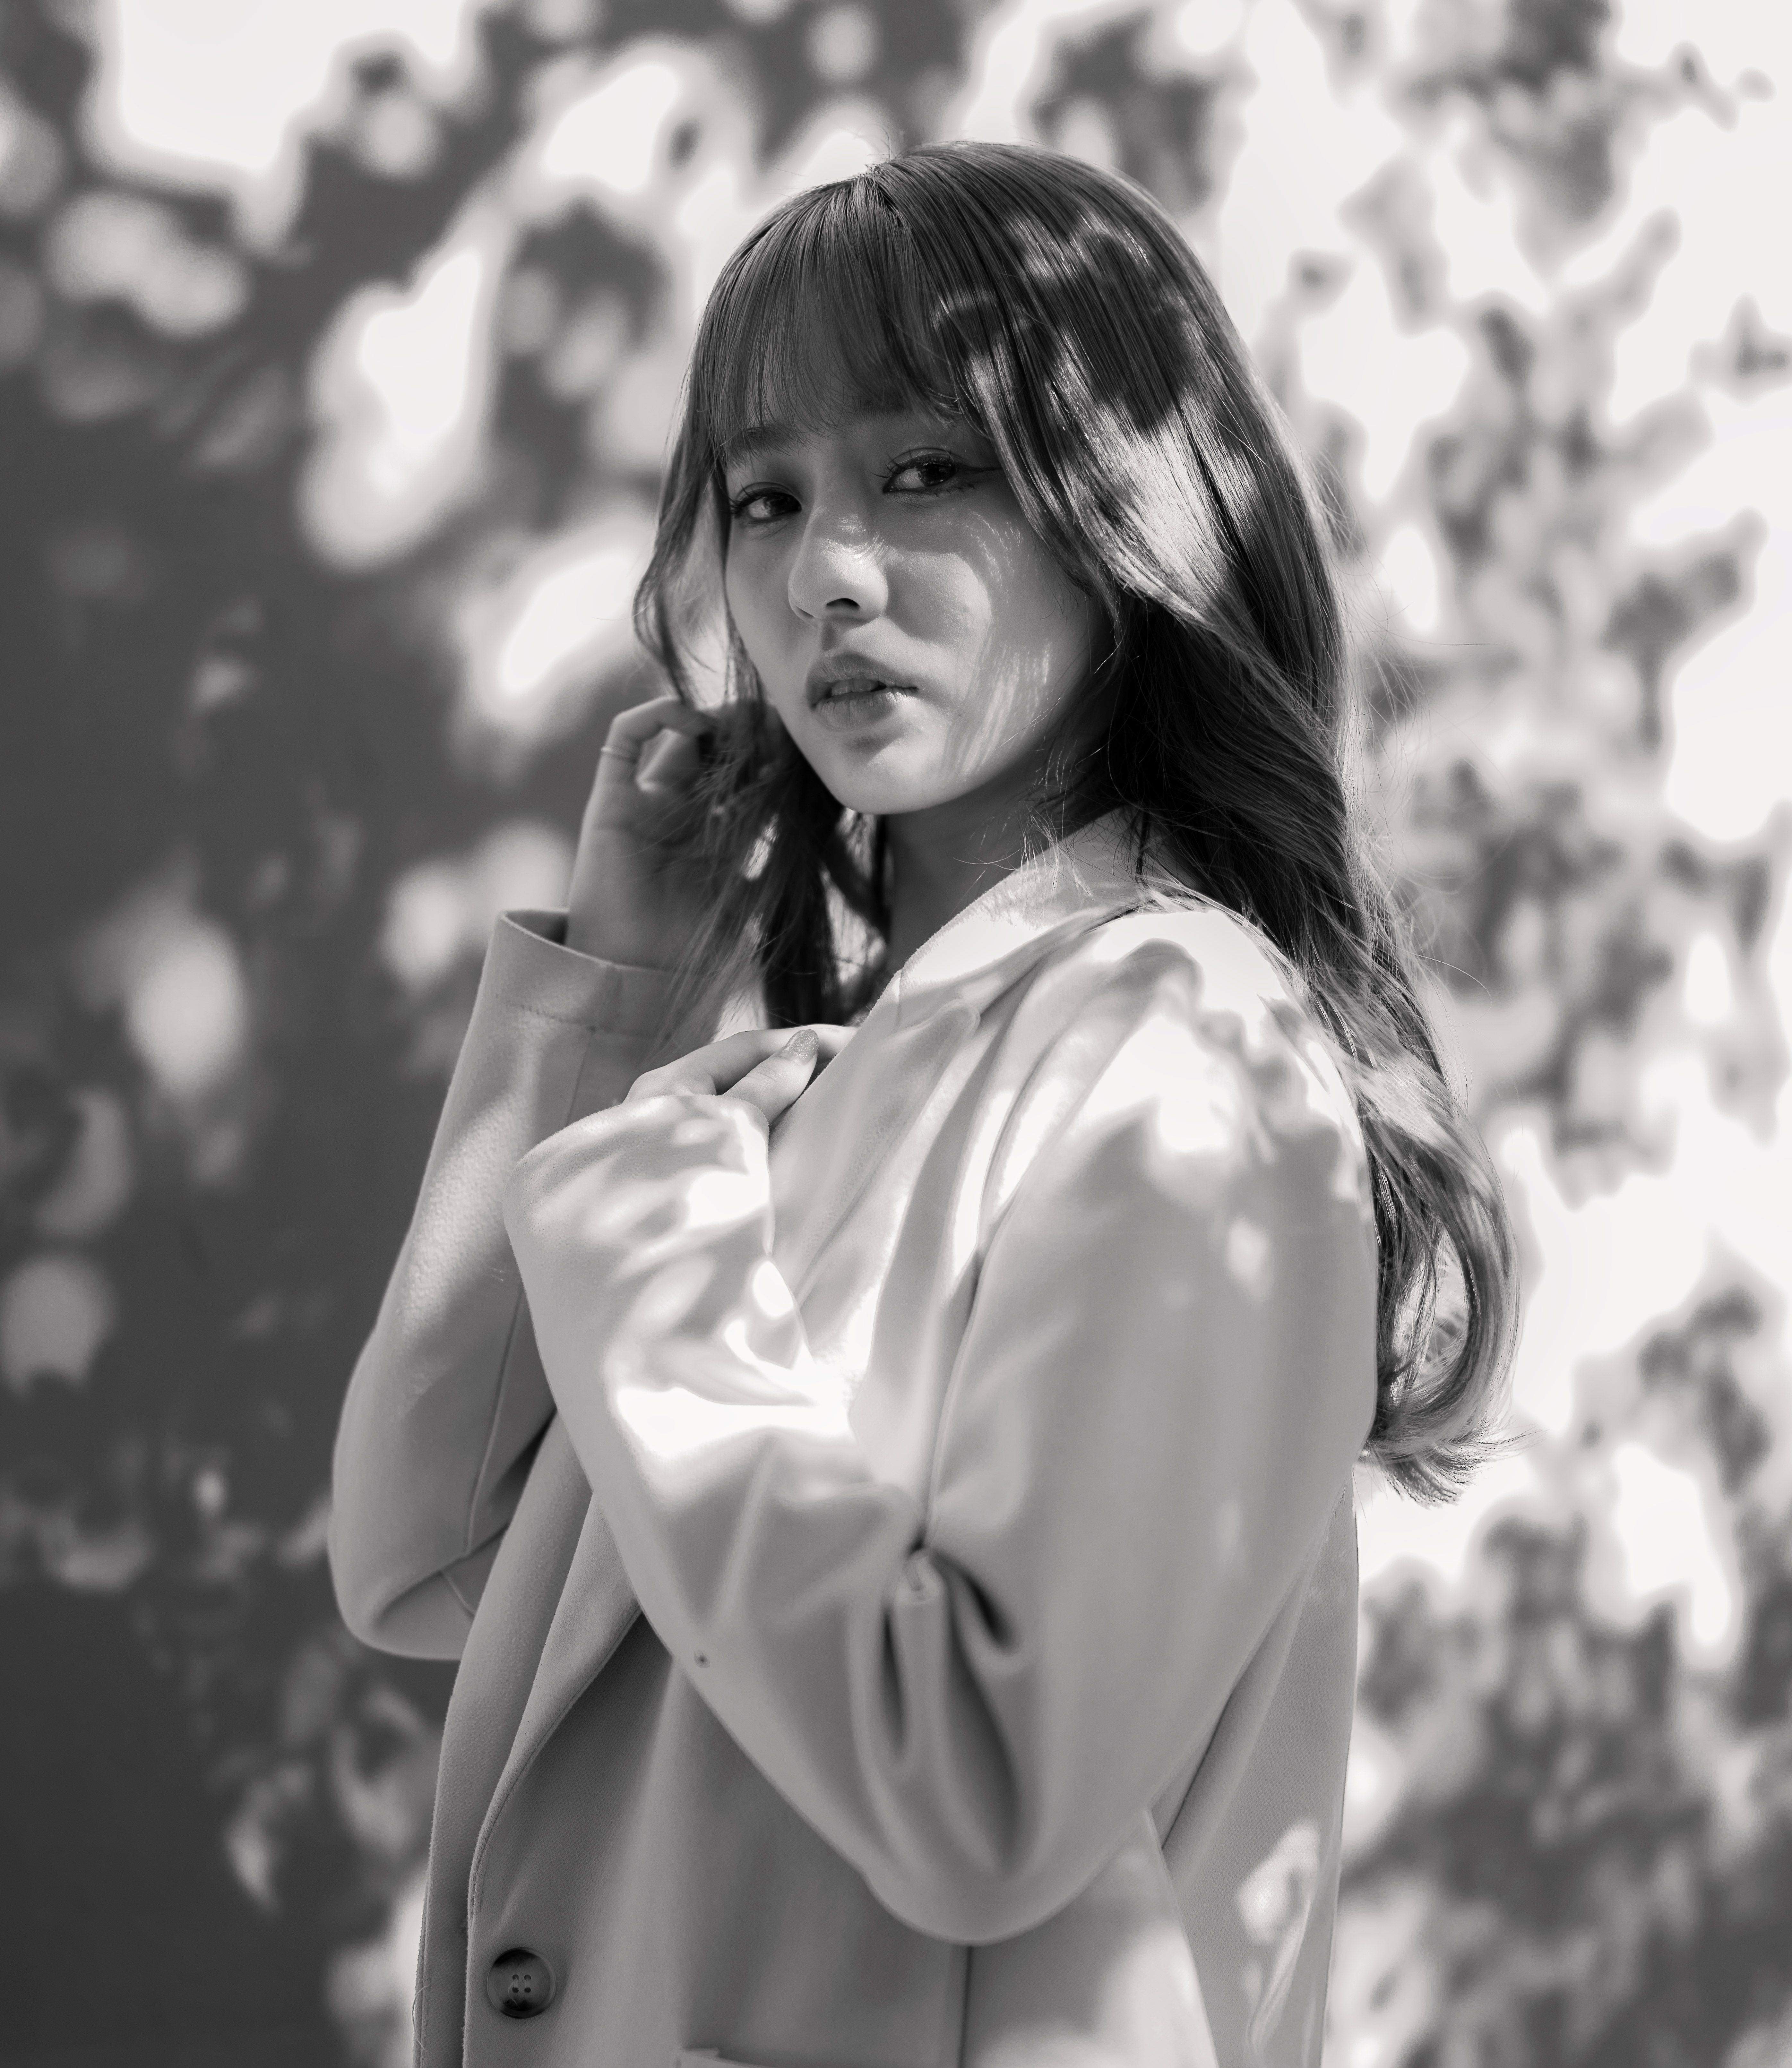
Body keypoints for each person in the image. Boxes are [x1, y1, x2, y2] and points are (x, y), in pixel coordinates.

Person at [329, 141, 1519, 2068]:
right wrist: (614, 999)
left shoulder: (1179, 1038)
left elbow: (986, 1779)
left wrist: (657, 1258)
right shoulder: (831, 1082)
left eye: (927, 471)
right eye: (766, 498)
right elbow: (419, 1553)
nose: (826, 573)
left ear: (1123, 511)